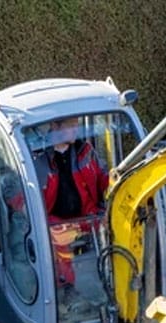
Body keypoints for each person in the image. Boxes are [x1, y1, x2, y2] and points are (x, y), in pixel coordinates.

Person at [36, 117, 109, 288]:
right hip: (54, 225)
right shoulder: (38, 158)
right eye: (71, 126)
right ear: (54, 125)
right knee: (63, 267)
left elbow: (103, 177)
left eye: (78, 125)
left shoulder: (86, 151)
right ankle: (66, 291)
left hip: (87, 218)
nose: (77, 130)